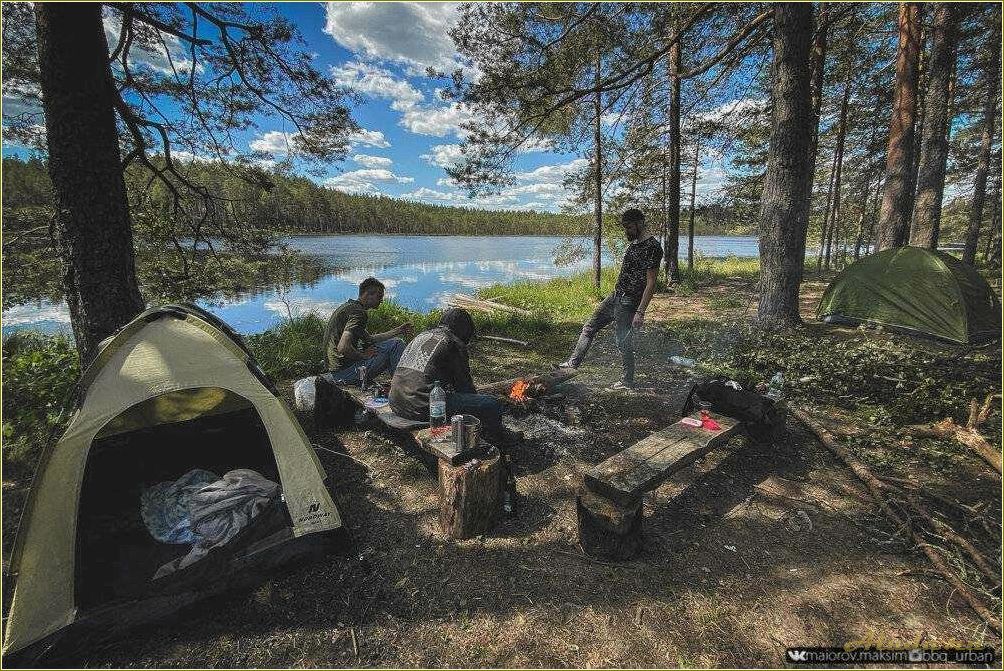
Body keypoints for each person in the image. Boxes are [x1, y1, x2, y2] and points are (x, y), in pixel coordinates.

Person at [557, 208, 662, 389]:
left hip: (629, 302)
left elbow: (651, 283)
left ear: (639, 223)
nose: (626, 231)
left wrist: (640, 312)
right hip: (615, 296)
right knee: (589, 326)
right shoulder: (635, 244)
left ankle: (627, 380)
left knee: (622, 341)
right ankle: (572, 364)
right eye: (625, 227)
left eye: (628, 227)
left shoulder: (653, 247)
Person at [389, 308, 511, 444]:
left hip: (396, 401)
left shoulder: (422, 336)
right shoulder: (453, 342)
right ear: (465, 329)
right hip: (421, 408)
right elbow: (464, 387)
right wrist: (478, 403)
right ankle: (499, 440)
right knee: (492, 404)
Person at [322, 277, 412, 384]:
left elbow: (370, 339)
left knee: (392, 343)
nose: (381, 300)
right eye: (379, 296)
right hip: (346, 374)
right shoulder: (359, 313)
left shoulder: (349, 307)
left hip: (337, 371)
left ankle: (399, 384)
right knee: (396, 345)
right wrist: (362, 355)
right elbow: (343, 347)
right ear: (368, 294)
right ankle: (402, 388)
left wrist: (398, 330)